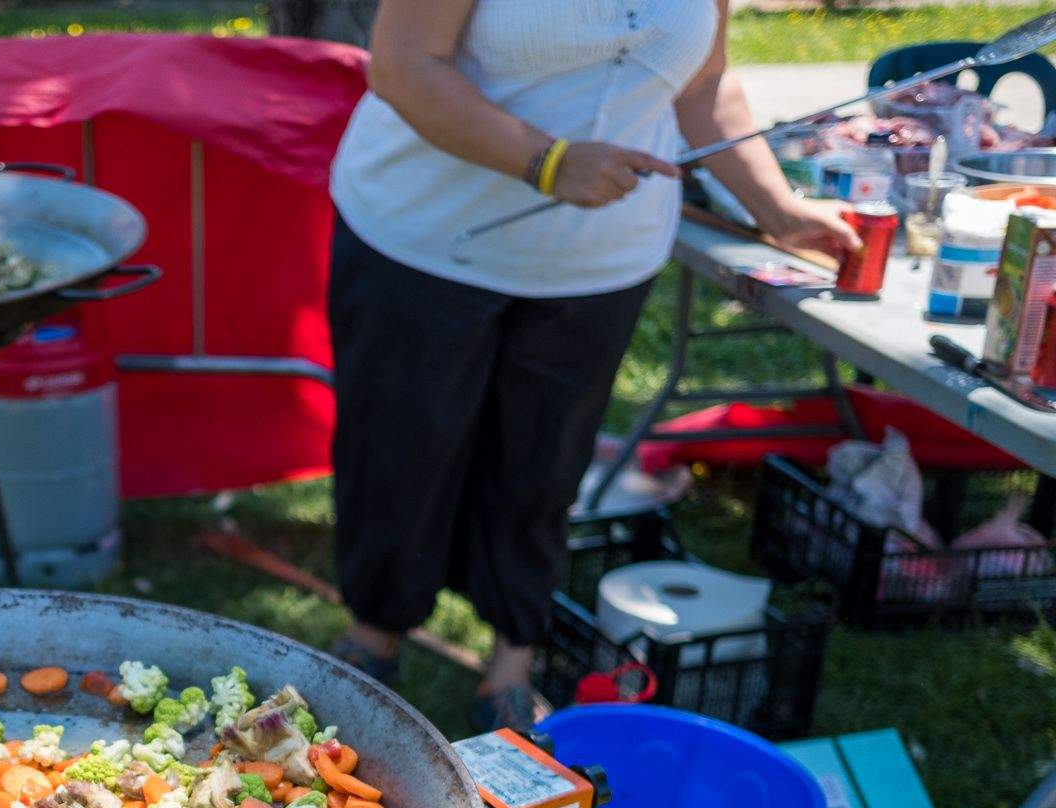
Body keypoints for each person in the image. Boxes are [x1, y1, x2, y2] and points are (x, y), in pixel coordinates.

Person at [327, 0, 859, 729]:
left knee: (545, 467)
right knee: (399, 454)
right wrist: (547, 161)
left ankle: (512, 658)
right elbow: (405, 66)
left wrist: (776, 208)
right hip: (421, 239)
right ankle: (374, 639)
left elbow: (703, 87)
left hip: (601, 261)